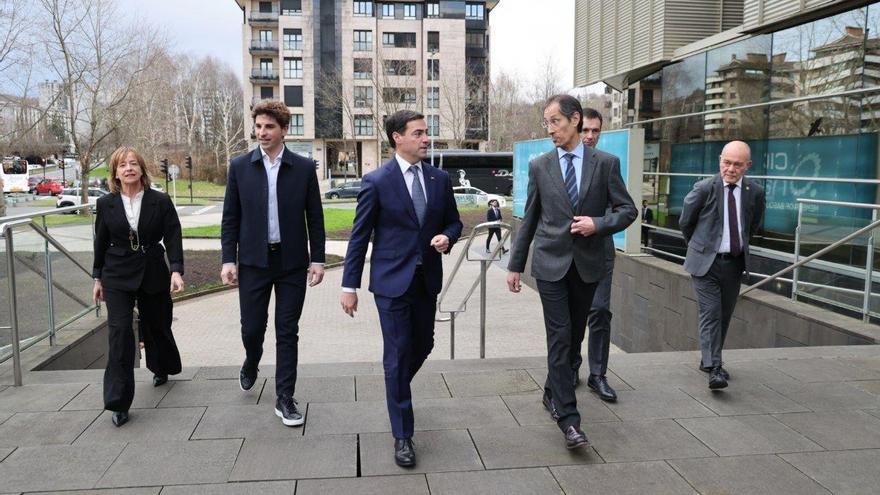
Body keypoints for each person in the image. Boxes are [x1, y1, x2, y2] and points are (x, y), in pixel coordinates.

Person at [507, 95, 636, 449]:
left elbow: (628, 210)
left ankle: (551, 390)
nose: (549, 129)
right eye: (546, 123)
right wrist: (515, 265)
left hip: (587, 266)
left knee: (573, 336)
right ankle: (569, 419)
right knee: (561, 337)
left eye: (554, 122)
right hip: (550, 265)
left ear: (574, 119)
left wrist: (599, 223)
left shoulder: (605, 164)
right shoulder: (540, 166)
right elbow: (530, 218)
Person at [341, 110, 462, 468]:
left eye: (427, 133)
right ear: (397, 137)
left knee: (423, 344)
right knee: (396, 353)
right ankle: (403, 435)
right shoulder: (377, 181)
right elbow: (359, 237)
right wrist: (350, 286)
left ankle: (395, 387)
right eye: (419, 133)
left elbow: (453, 221)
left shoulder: (440, 179)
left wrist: (448, 237)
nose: (426, 139)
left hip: (427, 282)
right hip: (391, 284)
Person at [220, 100, 326, 426]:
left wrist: (318, 260)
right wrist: (228, 259)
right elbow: (230, 219)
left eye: (269, 127)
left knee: (287, 331)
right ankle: (252, 360)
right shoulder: (240, 167)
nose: (262, 132)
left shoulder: (304, 168)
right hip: (253, 262)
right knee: (252, 329)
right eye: (259, 126)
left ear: (283, 130)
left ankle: (284, 398)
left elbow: (316, 219)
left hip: (292, 264)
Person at [92, 146, 184, 427]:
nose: (128, 168)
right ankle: (118, 401)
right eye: (122, 165)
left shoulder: (160, 201)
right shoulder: (106, 204)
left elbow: (173, 236)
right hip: (116, 273)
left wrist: (176, 270)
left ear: (142, 170)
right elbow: (100, 241)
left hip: (152, 268)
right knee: (120, 333)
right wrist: (97, 277)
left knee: (157, 324)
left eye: (133, 164)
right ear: (115, 173)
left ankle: (161, 366)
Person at [680, 140, 765, 389]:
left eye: (737, 165)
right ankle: (715, 368)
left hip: (735, 263)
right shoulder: (704, 188)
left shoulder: (755, 192)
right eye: (726, 162)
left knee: (724, 315)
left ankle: (708, 360)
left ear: (747, 166)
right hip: (705, 263)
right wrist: (700, 247)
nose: (730, 169)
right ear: (720, 160)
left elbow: (753, 224)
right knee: (711, 313)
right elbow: (686, 222)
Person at [570, 109, 618, 402]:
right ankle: (571, 366)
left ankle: (598, 374)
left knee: (599, 311)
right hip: (566, 257)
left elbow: (622, 207)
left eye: (595, 131)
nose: (589, 136)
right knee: (572, 317)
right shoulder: (558, 162)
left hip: (599, 252)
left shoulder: (607, 165)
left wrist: (598, 224)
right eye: (586, 130)